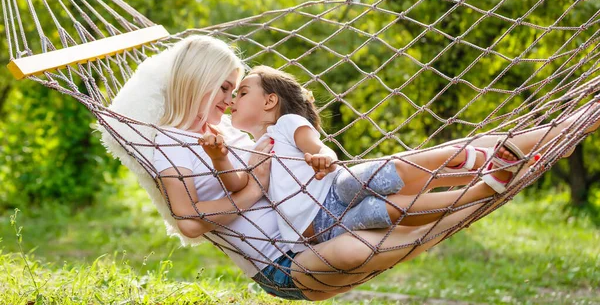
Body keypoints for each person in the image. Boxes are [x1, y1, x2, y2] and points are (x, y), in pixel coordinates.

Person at [152, 35, 600, 301]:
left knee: (427, 162)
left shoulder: (238, 135)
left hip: (327, 208)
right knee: (377, 238)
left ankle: (560, 131)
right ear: (197, 82)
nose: (230, 100)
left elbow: (288, 155)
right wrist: (248, 188)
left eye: (236, 89)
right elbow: (190, 222)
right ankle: (489, 189)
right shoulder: (165, 143)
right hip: (287, 262)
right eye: (224, 88)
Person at [200, 65, 533, 249]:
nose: (232, 100)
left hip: (331, 190)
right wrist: (219, 157)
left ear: (270, 101)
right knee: (389, 211)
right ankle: (482, 188)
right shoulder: (251, 146)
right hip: (319, 228)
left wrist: (321, 158)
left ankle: (475, 158)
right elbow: (239, 183)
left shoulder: (288, 124)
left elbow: (318, 147)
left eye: (241, 93)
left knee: (377, 174)